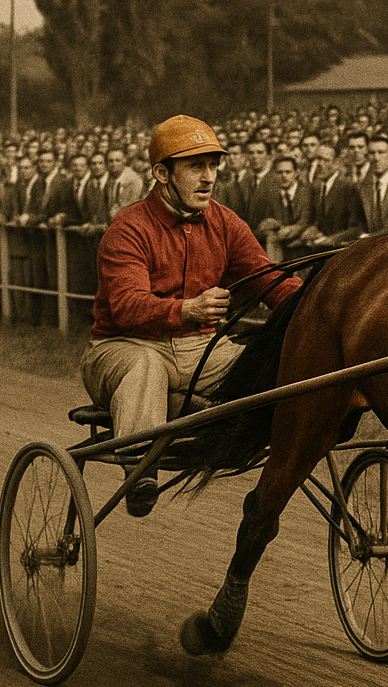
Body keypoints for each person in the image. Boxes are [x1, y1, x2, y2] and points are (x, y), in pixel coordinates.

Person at [80, 116, 299, 518]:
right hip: (123, 347)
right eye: (196, 166)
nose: (209, 177)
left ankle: (210, 419)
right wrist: (187, 309)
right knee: (147, 366)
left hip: (201, 350)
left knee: (261, 365)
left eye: (214, 166)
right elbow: (127, 306)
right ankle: (139, 466)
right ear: (162, 173)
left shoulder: (226, 223)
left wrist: (321, 305)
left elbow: (271, 282)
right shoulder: (127, 228)